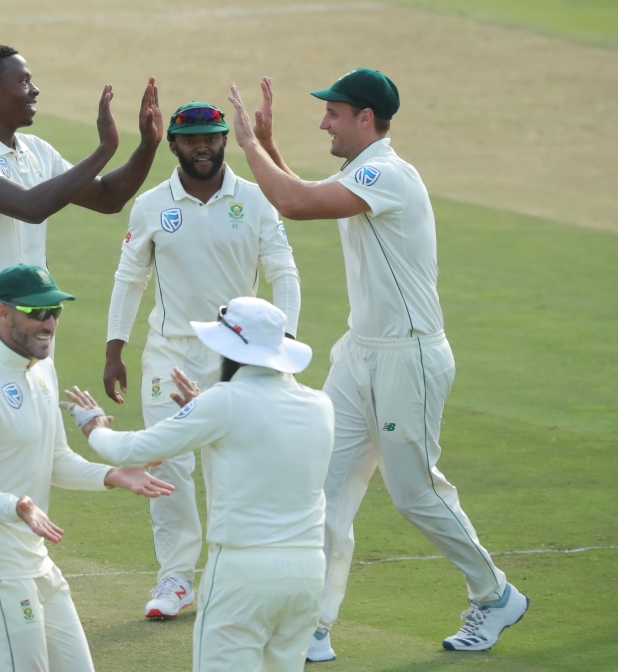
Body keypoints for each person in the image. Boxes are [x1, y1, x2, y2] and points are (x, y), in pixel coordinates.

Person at [227, 70, 529, 658]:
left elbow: (294, 201)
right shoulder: (365, 175)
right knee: (325, 484)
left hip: (407, 359)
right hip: (360, 352)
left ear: (366, 119)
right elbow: (307, 195)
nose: (324, 123)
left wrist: (250, 145)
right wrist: (270, 146)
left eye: (333, 113)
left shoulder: (386, 174)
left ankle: (495, 595)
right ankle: (312, 625)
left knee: (414, 494)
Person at [102, 101, 302, 620]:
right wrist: (114, 347)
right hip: (168, 353)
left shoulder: (257, 201)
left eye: (213, 137)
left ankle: (234, 575)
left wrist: (282, 342)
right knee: (167, 464)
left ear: (224, 142)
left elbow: (284, 272)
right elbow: (130, 279)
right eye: (192, 140)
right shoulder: (150, 205)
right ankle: (175, 579)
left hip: (236, 356)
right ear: (173, 145)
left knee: (230, 464)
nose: (204, 147)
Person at [67, 297, 333, 671]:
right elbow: (261, 439)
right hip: (307, 576)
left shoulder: (223, 402)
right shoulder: (320, 404)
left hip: (243, 575)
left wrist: (93, 426)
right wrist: (203, 409)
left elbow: (134, 448)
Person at [0, 265, 173, 672]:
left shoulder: (41, 365)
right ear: (2, 313)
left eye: (55, 312)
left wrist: (112, 475)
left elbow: (56, 458)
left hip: (34, 558)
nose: (49, 323)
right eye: (37, 311)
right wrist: (18, 505)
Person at [0, 45, 163, 324]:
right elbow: (31, 207)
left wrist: (148, 146)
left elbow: (107, 199)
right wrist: (105, 149)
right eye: (24, 81)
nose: (35, 89)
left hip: (37, 313)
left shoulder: (36, 150)